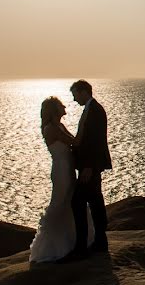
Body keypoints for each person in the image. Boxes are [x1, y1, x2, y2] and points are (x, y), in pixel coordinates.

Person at [29, 97, 93, 262]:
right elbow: (75, 142)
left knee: (70, 203)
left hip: (68, 168)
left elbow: (74, 143)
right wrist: (84, 121)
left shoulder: (59, 126)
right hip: (61, 170)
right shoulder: (52, 129)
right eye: (60, 105)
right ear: (54, 109)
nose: (64, 106)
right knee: (60, 202)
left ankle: (71, 241)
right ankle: (51, 246)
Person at [59, 79, 112, 262]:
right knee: (95, 201)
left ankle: (83, 246)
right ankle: (99, 242)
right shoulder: (92, 108)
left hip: (90, 166)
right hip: (90, 165)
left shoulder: (95, 110)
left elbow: (95, 141)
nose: (74, 100)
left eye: (75, 95)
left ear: (83, 92)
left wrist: (88, 166)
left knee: (79, 201)